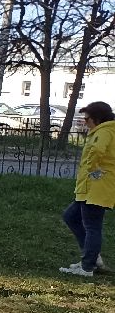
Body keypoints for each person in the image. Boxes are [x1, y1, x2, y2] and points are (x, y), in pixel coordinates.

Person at [60, 100, 115, 277]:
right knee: (71, 216)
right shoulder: (101, 130)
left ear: (97, 118)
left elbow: (98, 151)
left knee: (92, 226)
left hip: (97, 187)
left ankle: (88, 267)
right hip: (90, 187)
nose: (85, 121)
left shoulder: (105, 131)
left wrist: (93, 169)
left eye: (87, 118)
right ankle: (91, 258)